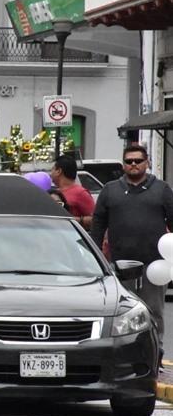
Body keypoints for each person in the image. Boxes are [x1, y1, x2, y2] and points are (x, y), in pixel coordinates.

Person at [91, 145, 173, 341]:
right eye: (129, 161)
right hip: (119, 266)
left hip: (154, 265)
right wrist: (95, 256)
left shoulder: (162, 189)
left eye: (138, 160)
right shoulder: (110, 190)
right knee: (121, 314)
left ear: (147, 163)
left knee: (153, 312)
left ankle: (156, 352)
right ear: (124, 165)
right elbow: (98, 225)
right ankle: (125, 354)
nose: (133, 164)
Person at [50, 155, 95, 229]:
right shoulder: (55, 193)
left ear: (59, 171)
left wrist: (74, 220)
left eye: (52, 169)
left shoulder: (81, 193)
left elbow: (96, 220)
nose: (50, 173)